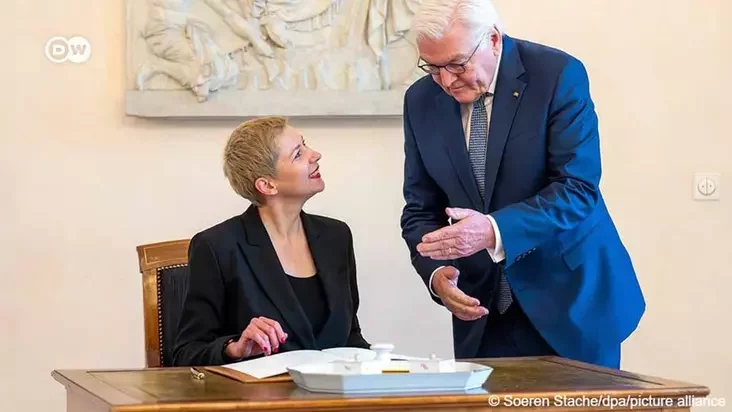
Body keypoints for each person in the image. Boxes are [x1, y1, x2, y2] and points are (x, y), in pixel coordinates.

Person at [399, 0, 645, 369]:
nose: (446, 81)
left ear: (493, 40)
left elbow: (577, 189)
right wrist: (436, 274)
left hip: (570, 300)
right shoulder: (420, 100)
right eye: (433, 68)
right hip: (482, 311)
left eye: (457, 64)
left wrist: (493, 230)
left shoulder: (556, 75)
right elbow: (420, 208)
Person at [172, 116, 369, 366]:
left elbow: (351, 337)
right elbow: (186, 353)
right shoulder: (216, 247)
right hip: (264, 391)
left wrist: (385, 365)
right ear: (267, 185)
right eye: (298, 154)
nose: (315, 155)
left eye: (305, 144)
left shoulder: (337, 236)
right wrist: (234, 348)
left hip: (336, 389)